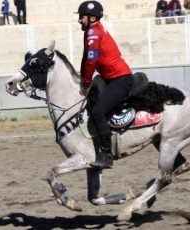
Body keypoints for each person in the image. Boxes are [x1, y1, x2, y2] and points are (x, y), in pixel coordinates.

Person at [76, 1, 133, 169]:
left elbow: (91, 60)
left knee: (98, 112)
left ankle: (106, 155)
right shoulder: (90, 31)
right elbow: (86, 58)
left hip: (120, 79)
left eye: (82, 17)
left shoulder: (93, 32)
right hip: (113, 78)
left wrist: (86, 82)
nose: (79, 20)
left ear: (92, 17)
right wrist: (82, 78)